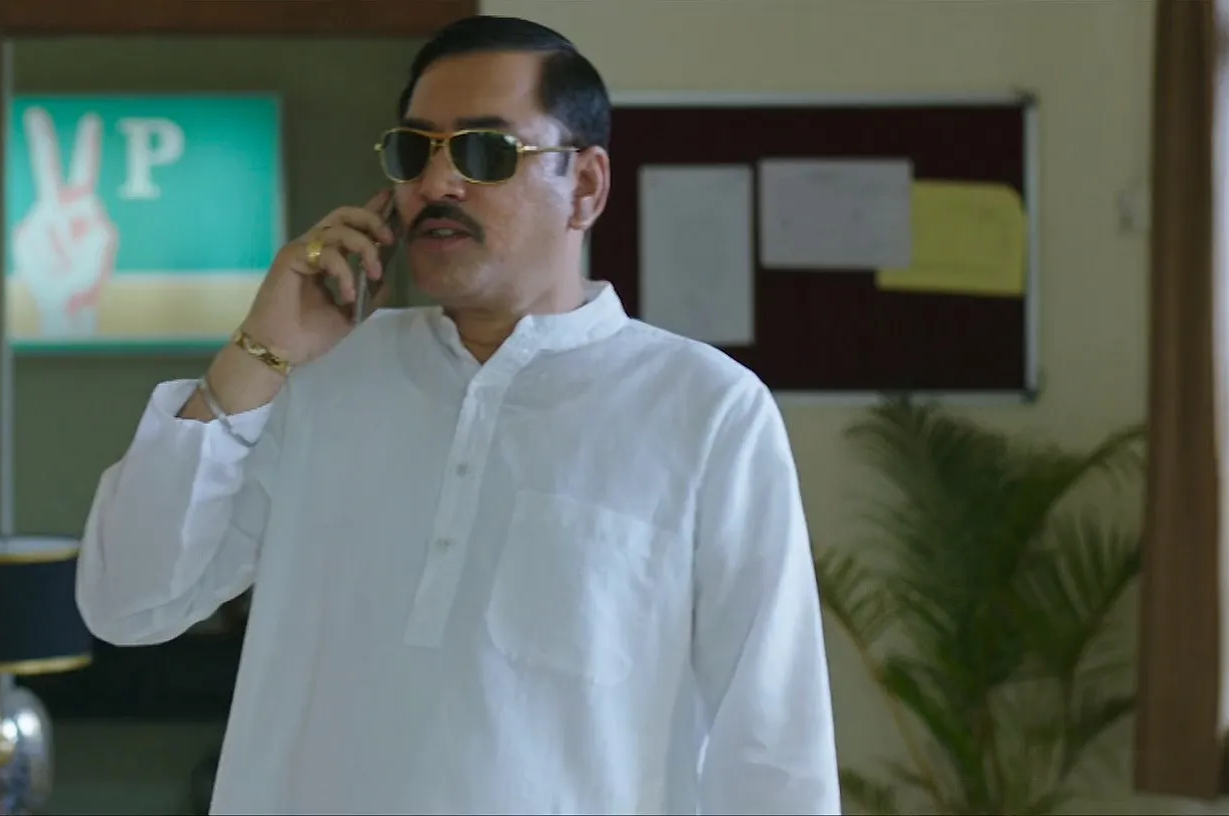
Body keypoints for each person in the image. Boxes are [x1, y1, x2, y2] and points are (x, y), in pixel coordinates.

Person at [75, 15, 840, 815]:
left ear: (585, 186)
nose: (437, 184)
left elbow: (774, 749)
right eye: (416, 151)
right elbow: (126, 602)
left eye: (484, 151)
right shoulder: (321, 376)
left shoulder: (704, 410)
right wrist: (257, 351)